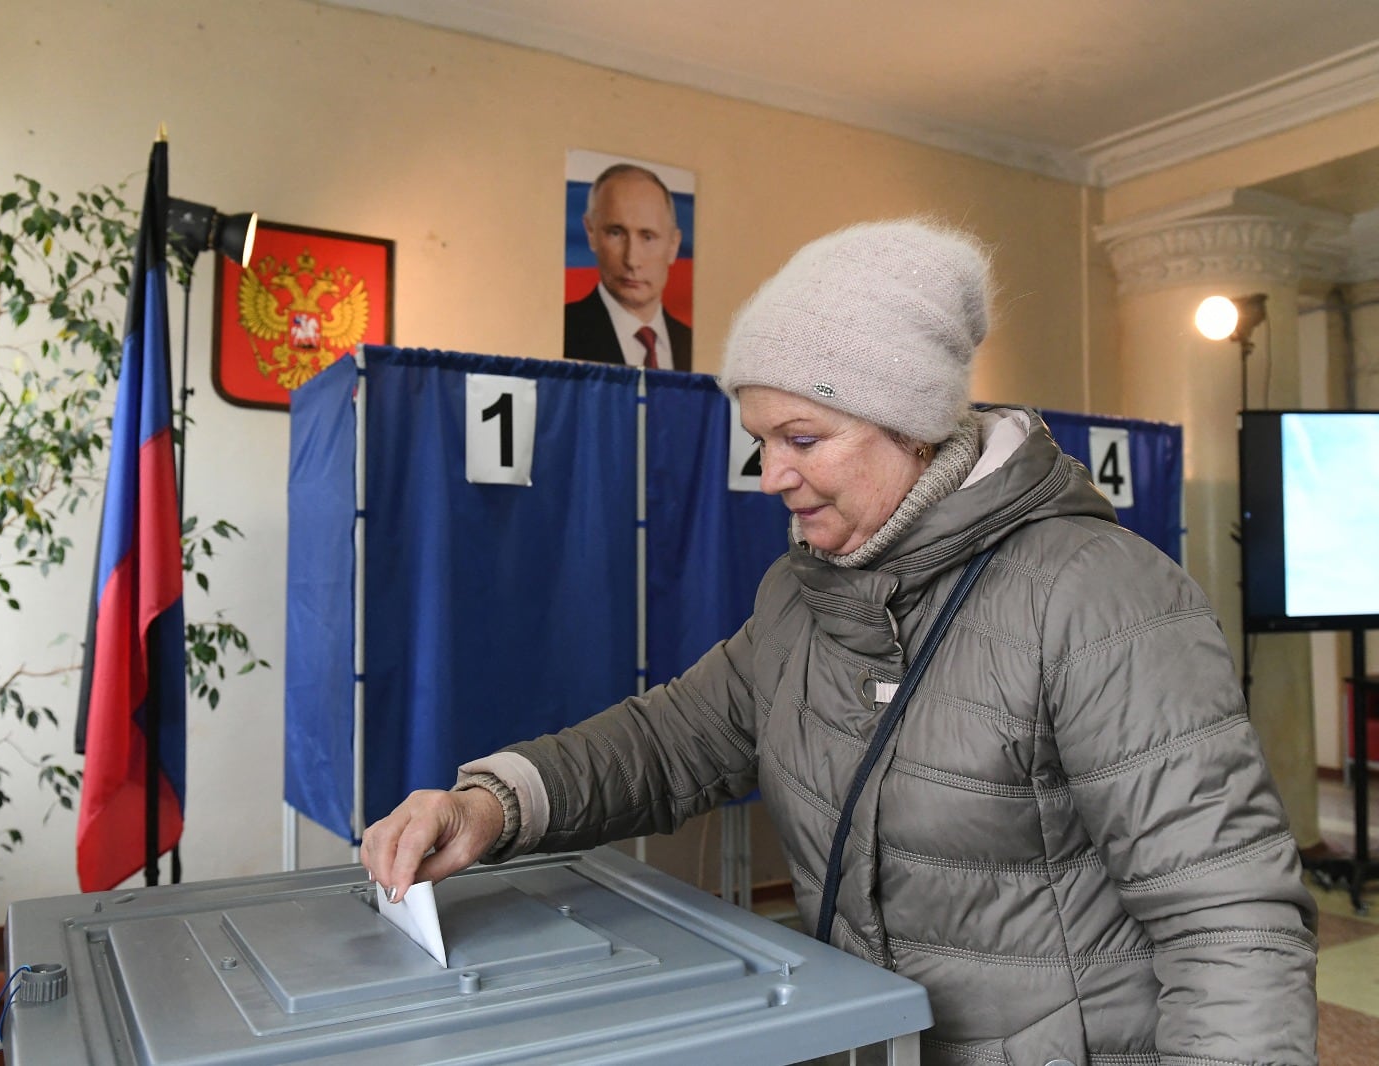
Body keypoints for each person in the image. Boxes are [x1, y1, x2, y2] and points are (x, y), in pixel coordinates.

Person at [364, 219, 1318, 1063]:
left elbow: (1228, 920)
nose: (771, 474)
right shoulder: (803, 594)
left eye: (802, 439)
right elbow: (669, 741)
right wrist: (491, 805)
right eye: (761, 441)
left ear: (910, 425)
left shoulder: (1098, 595)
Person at [563, 163, 693, 371]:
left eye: (648, 237)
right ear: (591, 233)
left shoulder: (690, 341)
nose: (632, 260)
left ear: (673, 245)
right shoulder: (566, 329)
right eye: (616, 233)